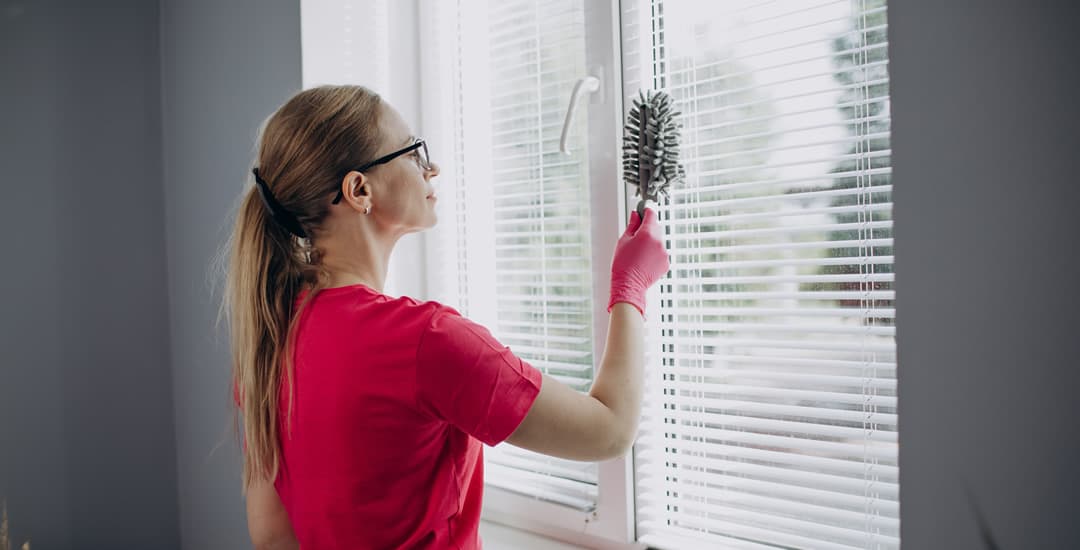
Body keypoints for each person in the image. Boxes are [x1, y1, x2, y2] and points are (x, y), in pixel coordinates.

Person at [225, 85, 669, 550]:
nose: (430, 168)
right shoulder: (425, 342)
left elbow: (273, 537)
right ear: (359, 190)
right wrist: (630, 286)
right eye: (413, 152)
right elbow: (610, 431)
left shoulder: (271, 339)